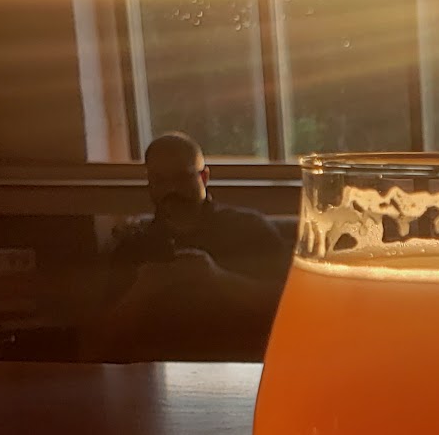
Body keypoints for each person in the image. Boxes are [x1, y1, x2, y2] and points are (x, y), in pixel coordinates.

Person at [89, 134, 290, 362]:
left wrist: (218, 278)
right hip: (157, 368)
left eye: (181, 177)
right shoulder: (134, 245)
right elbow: (98, 341)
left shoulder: (249, 229)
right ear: (149, 184)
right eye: (160, 180)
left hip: (239, 362)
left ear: (204, 177)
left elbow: (291, 308)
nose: (171, 190)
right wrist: (141, 290)